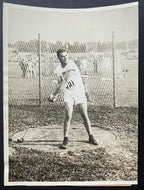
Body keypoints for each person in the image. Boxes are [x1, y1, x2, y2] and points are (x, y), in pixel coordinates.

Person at [48, 49, 97, 149]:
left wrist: (54, 94)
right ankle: (66, 138)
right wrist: (55, 95)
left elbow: (65, 79)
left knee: (84, 115)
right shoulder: (58, 68)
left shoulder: (71, 64)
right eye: (62, 56)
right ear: (58, 58)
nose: (65, 57)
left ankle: (91, 136)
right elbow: (60, 82)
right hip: (68, 93)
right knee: (68, 115)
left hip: (79, 92)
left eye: (66, 55)